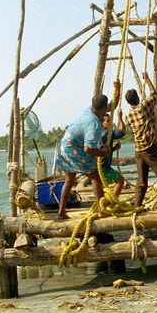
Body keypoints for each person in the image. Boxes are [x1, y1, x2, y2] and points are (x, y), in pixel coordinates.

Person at [56, 81, 120, 219]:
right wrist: (104, 153)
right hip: (72, 148)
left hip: (63, 145)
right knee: (95, 176)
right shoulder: (94, 124)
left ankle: (61, 212)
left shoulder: (90, 110)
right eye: (106, 109)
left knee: (69, 180)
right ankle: (102, 211)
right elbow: (88, 148)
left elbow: (112, 106)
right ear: (103, 110)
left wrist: (117, 89)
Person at [125, 72, 157, 209]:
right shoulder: (144, 106)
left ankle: (137, 206)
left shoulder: (129, 115)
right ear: (137, 97)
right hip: (149, 148)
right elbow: (154, 94)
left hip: (138, 150)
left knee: (141, 181)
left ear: (128, 102)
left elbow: (131, 130)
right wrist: (147, 79)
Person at [100, 108, 126, 198]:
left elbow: (102, 151)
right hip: (104, 168)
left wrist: (114, 148)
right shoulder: (106, 133)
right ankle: (112, 202)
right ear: (102, 123)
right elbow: (122, 131)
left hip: (98, 167)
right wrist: (120, 117)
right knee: (120, 181)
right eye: (108, 121)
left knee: (102, 187)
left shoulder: (97, 133)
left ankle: (104, 202)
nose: (110, 123)